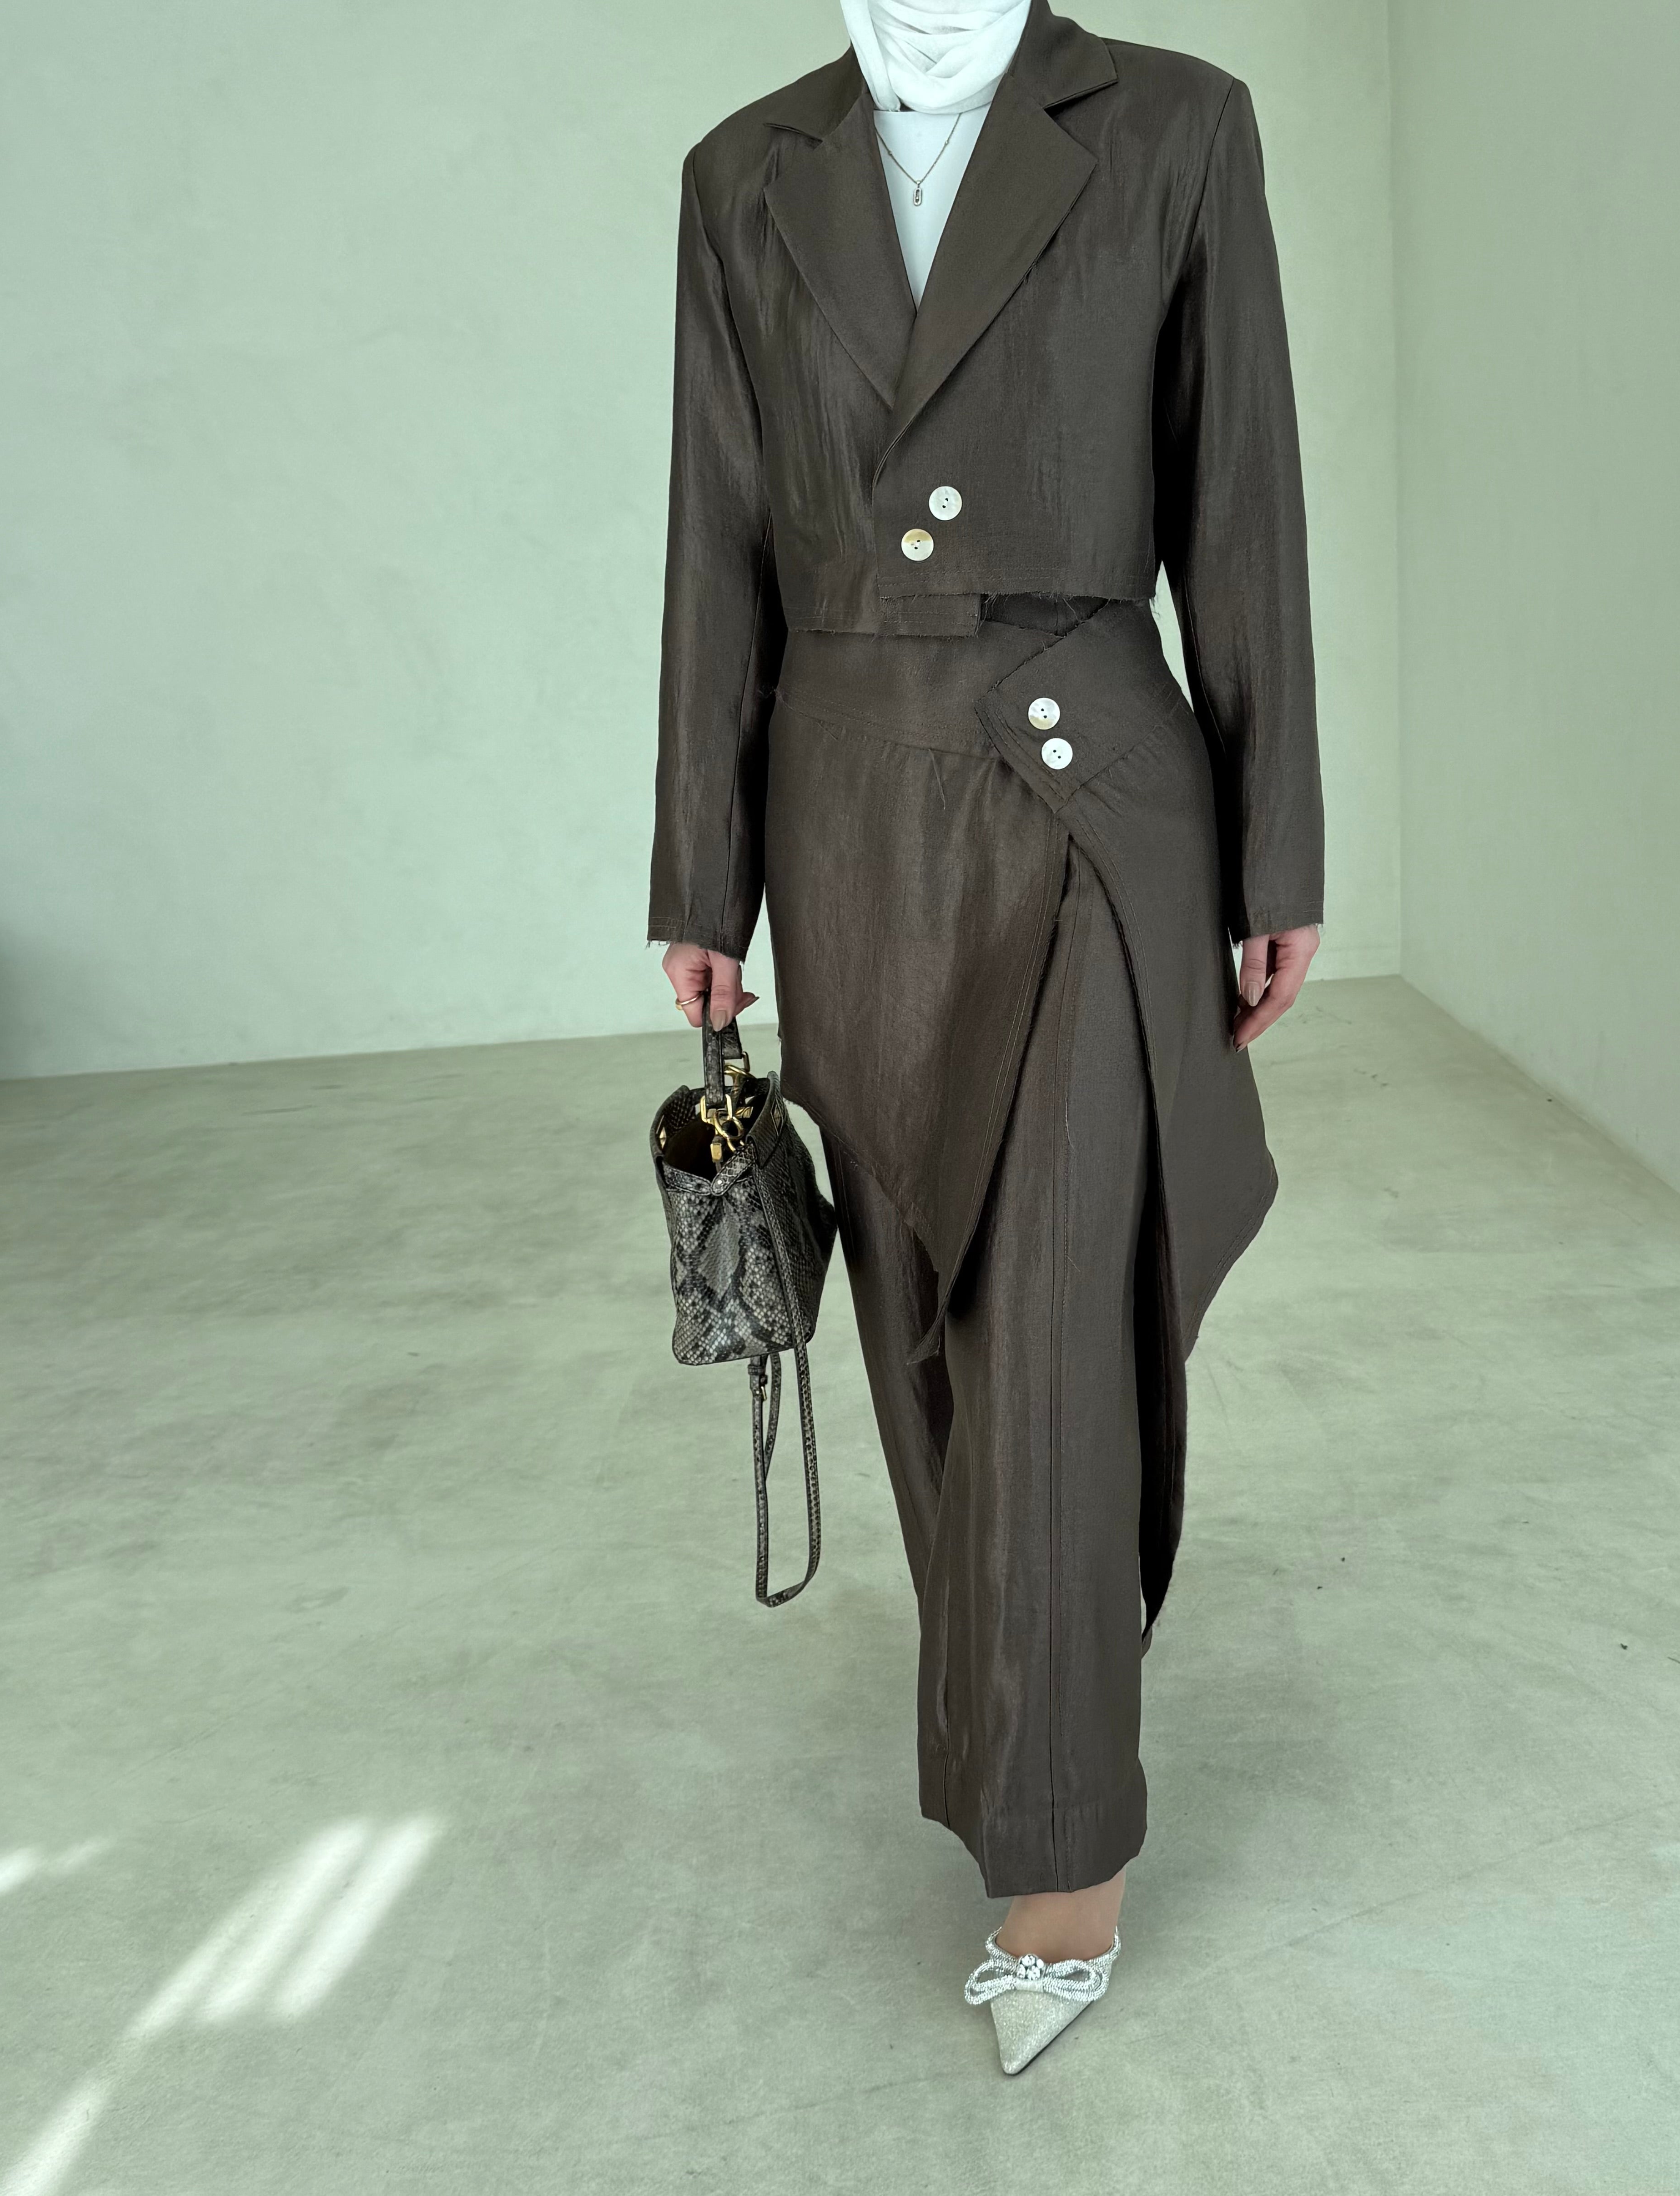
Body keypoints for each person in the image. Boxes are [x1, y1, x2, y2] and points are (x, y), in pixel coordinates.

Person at [649, 0, 1322, 2073]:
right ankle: (1019, 1717)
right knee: (921, 1319)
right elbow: (716, 543)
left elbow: (1241, 504)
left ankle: (1059, 1856)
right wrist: (704, 878)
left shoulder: (1178, 127)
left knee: (1051, 1333)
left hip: (1089, 806)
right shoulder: (745, 170)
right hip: (850, 826)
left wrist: (1275, 846)